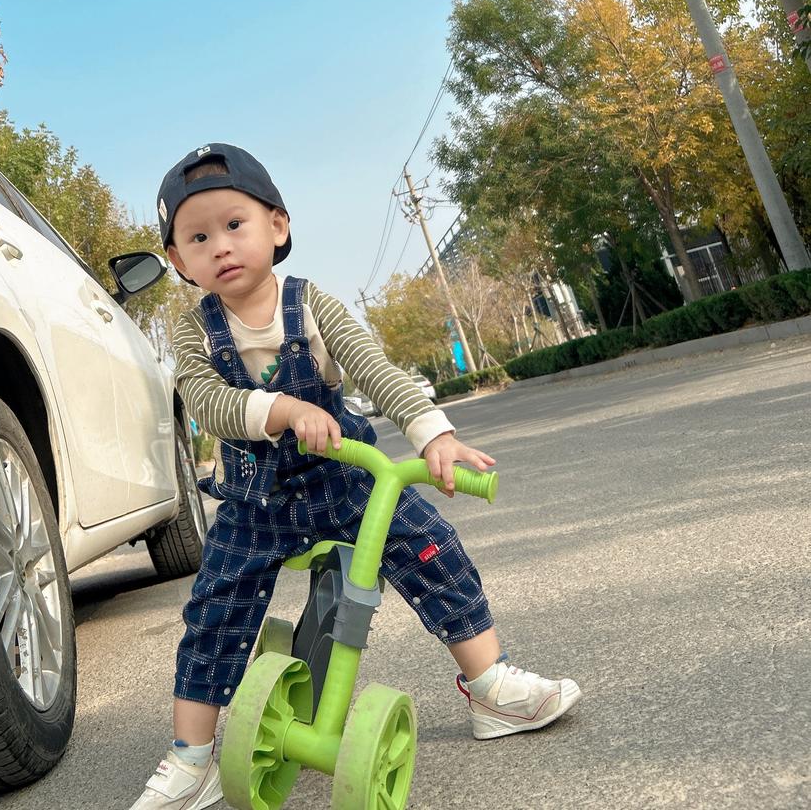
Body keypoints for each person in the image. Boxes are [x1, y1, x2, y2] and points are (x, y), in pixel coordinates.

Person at [128, 143, 581, 810]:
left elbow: (374, 370)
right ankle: (192, 758)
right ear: (178, 261)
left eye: (234, 224)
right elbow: (206, 403)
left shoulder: (313, 307)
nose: (220, 246)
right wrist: (281, 408)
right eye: (198, 237)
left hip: (348, 483)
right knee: (213, 608)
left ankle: (492, 687)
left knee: (432, 549)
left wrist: (435, 437)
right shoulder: (195, 333)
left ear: (276, 226)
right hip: (257, 497)